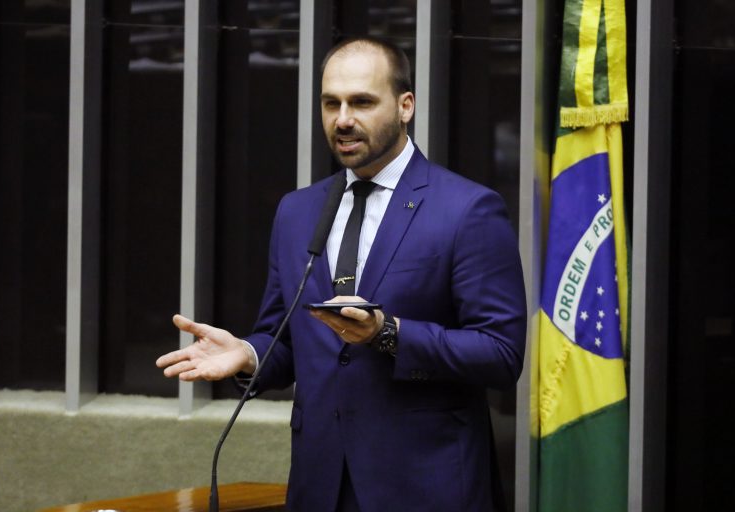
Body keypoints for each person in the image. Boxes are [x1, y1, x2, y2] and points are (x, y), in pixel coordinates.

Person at [156, 37, 527, 511]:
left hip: (425, 486)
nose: (343, 119)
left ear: (405, 105)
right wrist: (248, 354)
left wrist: (388, 333)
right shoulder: (297, 211)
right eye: (331, 103)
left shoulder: (467, 210)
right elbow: (288, 340)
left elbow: (500, 354)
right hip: (320, 485)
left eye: (362, 102)